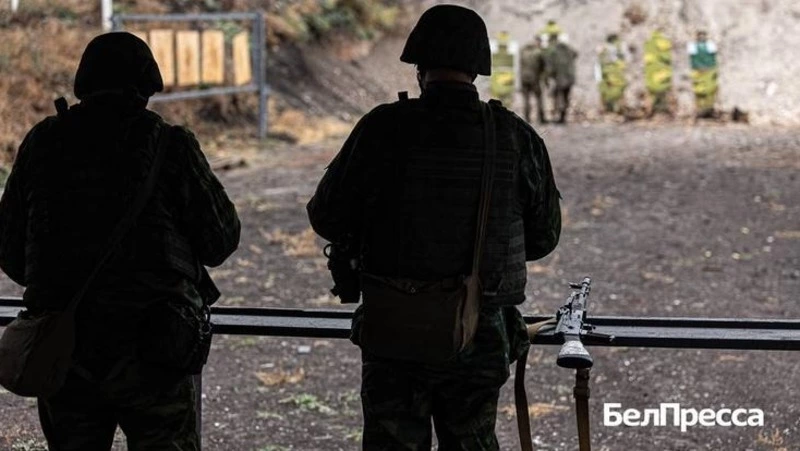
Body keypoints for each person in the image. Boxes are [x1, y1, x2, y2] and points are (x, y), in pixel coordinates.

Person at [307, 5, 561, 450]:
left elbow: (326, 215)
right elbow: (542, 238)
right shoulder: (513, 136)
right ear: (477, 69)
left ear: (419, 66)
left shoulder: (381, 127)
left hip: (394, 328)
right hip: (479, 329)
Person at [0, 32, 240, 450]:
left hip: (66, 348)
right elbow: (221, 240)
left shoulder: (43, 142)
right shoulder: (170, 145)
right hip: (154, 350)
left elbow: (10, 250)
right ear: (146, 84)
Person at [544, 28, 578, 124]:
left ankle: (559, 116)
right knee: (566, 96)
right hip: (570, 78)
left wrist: (548, 77)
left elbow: (550, 68)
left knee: (558, 97)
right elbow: (576, 54)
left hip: (560, 78)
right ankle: (563, 116)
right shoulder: (569, 49)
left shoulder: (553, 51)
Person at [688, 30, 718, 118]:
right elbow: (692, 58)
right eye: (700, 35)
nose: (701, 37)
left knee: (710, 90)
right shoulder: (692, 46)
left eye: (703, 35)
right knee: (699, 91)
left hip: (709, 69)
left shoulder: (710, 45)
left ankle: (709, 108)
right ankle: (700, 109)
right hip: (697, 70)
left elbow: (713, 57)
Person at [644, 29, 674, 117]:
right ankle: (667, 110)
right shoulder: (663, 42)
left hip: (650, 76)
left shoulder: (647, 43)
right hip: (662, 74)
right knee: (666, 93)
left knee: (652, 95)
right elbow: (667, 57)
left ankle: (649, 111)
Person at [596, 33, 628, 114]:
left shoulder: (604, 48)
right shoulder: (613, 48)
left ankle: (606, 108)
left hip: (606, 72)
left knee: (605, 90)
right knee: (618, 90)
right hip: (611, 72)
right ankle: (618, 108)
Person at [520, 35, 548, 123]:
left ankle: (527, 118)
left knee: (526, 99)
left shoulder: (523, 51)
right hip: (534, 79)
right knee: (539, 98)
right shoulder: (539, 52)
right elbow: (544, 66)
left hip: (524, 78)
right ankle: (541, 118)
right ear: (538, 42)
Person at [490, 31, 516, 108]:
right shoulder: (511, 48)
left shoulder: (494, 49)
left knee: (497, 98)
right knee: (507, 99)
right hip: (508, 74)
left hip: (497, 74)